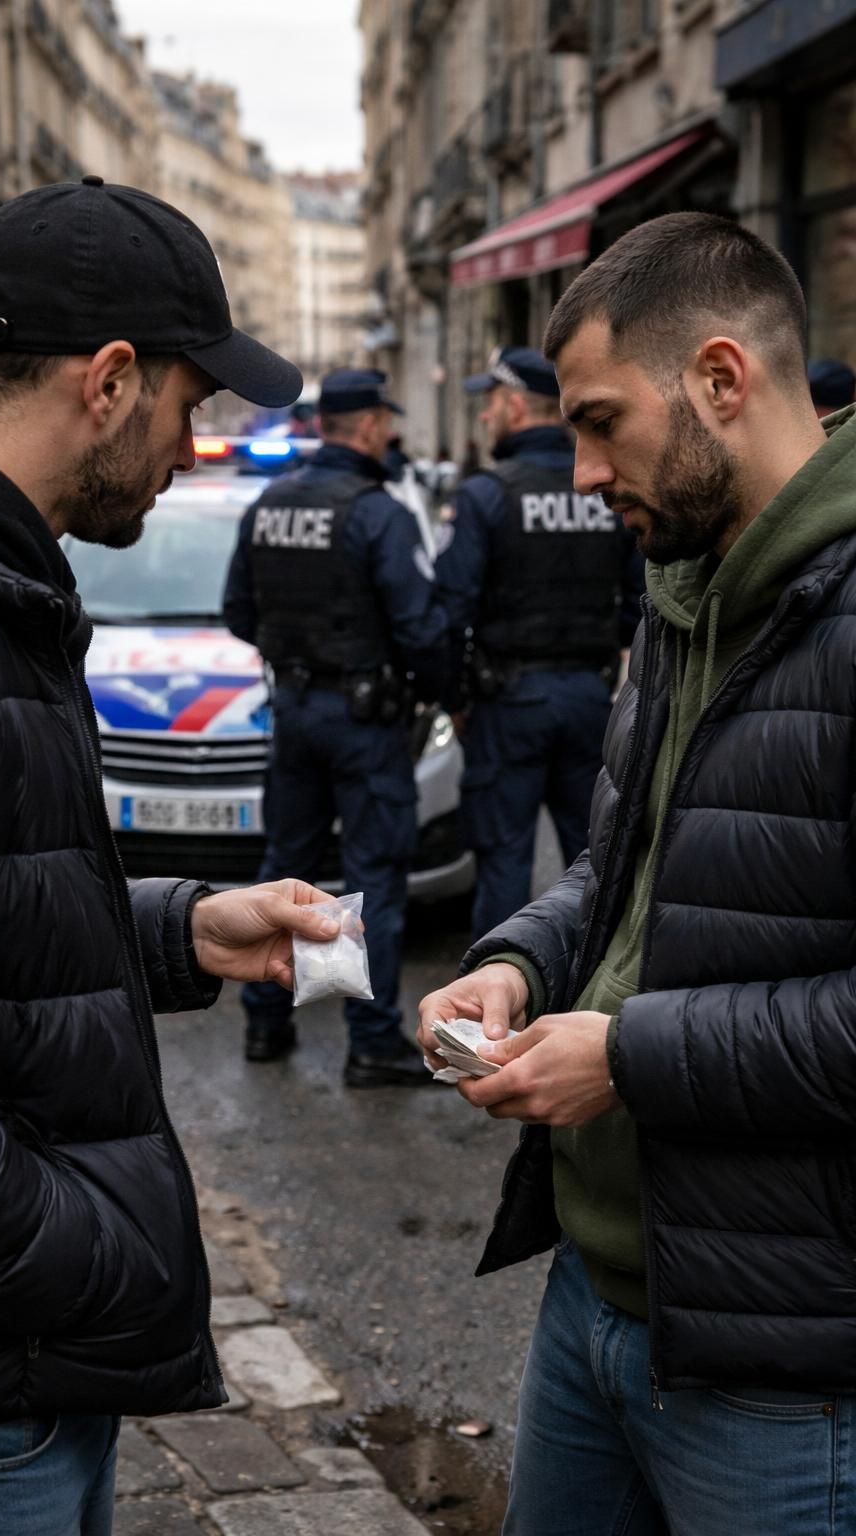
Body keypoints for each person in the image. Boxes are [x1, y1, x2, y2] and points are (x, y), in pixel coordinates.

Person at [0, 176, 345, 1535]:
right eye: (190, 406)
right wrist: (93, 1257)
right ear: (110, 381)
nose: (190, 447)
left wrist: (179, 930)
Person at [418, 210, 856, 1535]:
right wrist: (514, 962)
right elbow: (626, 860)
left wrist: (630, 1055)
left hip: (782, 1371)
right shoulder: (681, 586)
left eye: (604, 422)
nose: (585, 467)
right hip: (595, 1306)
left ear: (723, 381)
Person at [223, 366, 448, 1086]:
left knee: (285, 865)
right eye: (389, 421)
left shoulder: (269, 503)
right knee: (373, 877)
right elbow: (420, 628)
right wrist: (437, 689)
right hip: (364, 720)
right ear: (372, 425)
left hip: (293, 712)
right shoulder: (377, 512)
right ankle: (372, 1042)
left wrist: (296, 658)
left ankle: (265, 1022)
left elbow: (238, 613)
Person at [434, 344, 641, 939]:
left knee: (504, 863)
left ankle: (493, 1010)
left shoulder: (486, 494)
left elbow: (450, 612)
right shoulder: (602, 486)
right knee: (594, 864)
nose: (485, 416)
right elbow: (641, 597)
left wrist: (456, 695)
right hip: (588, 696)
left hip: (507, 702)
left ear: (517, 406)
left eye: (492, 403)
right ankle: (582, 999)